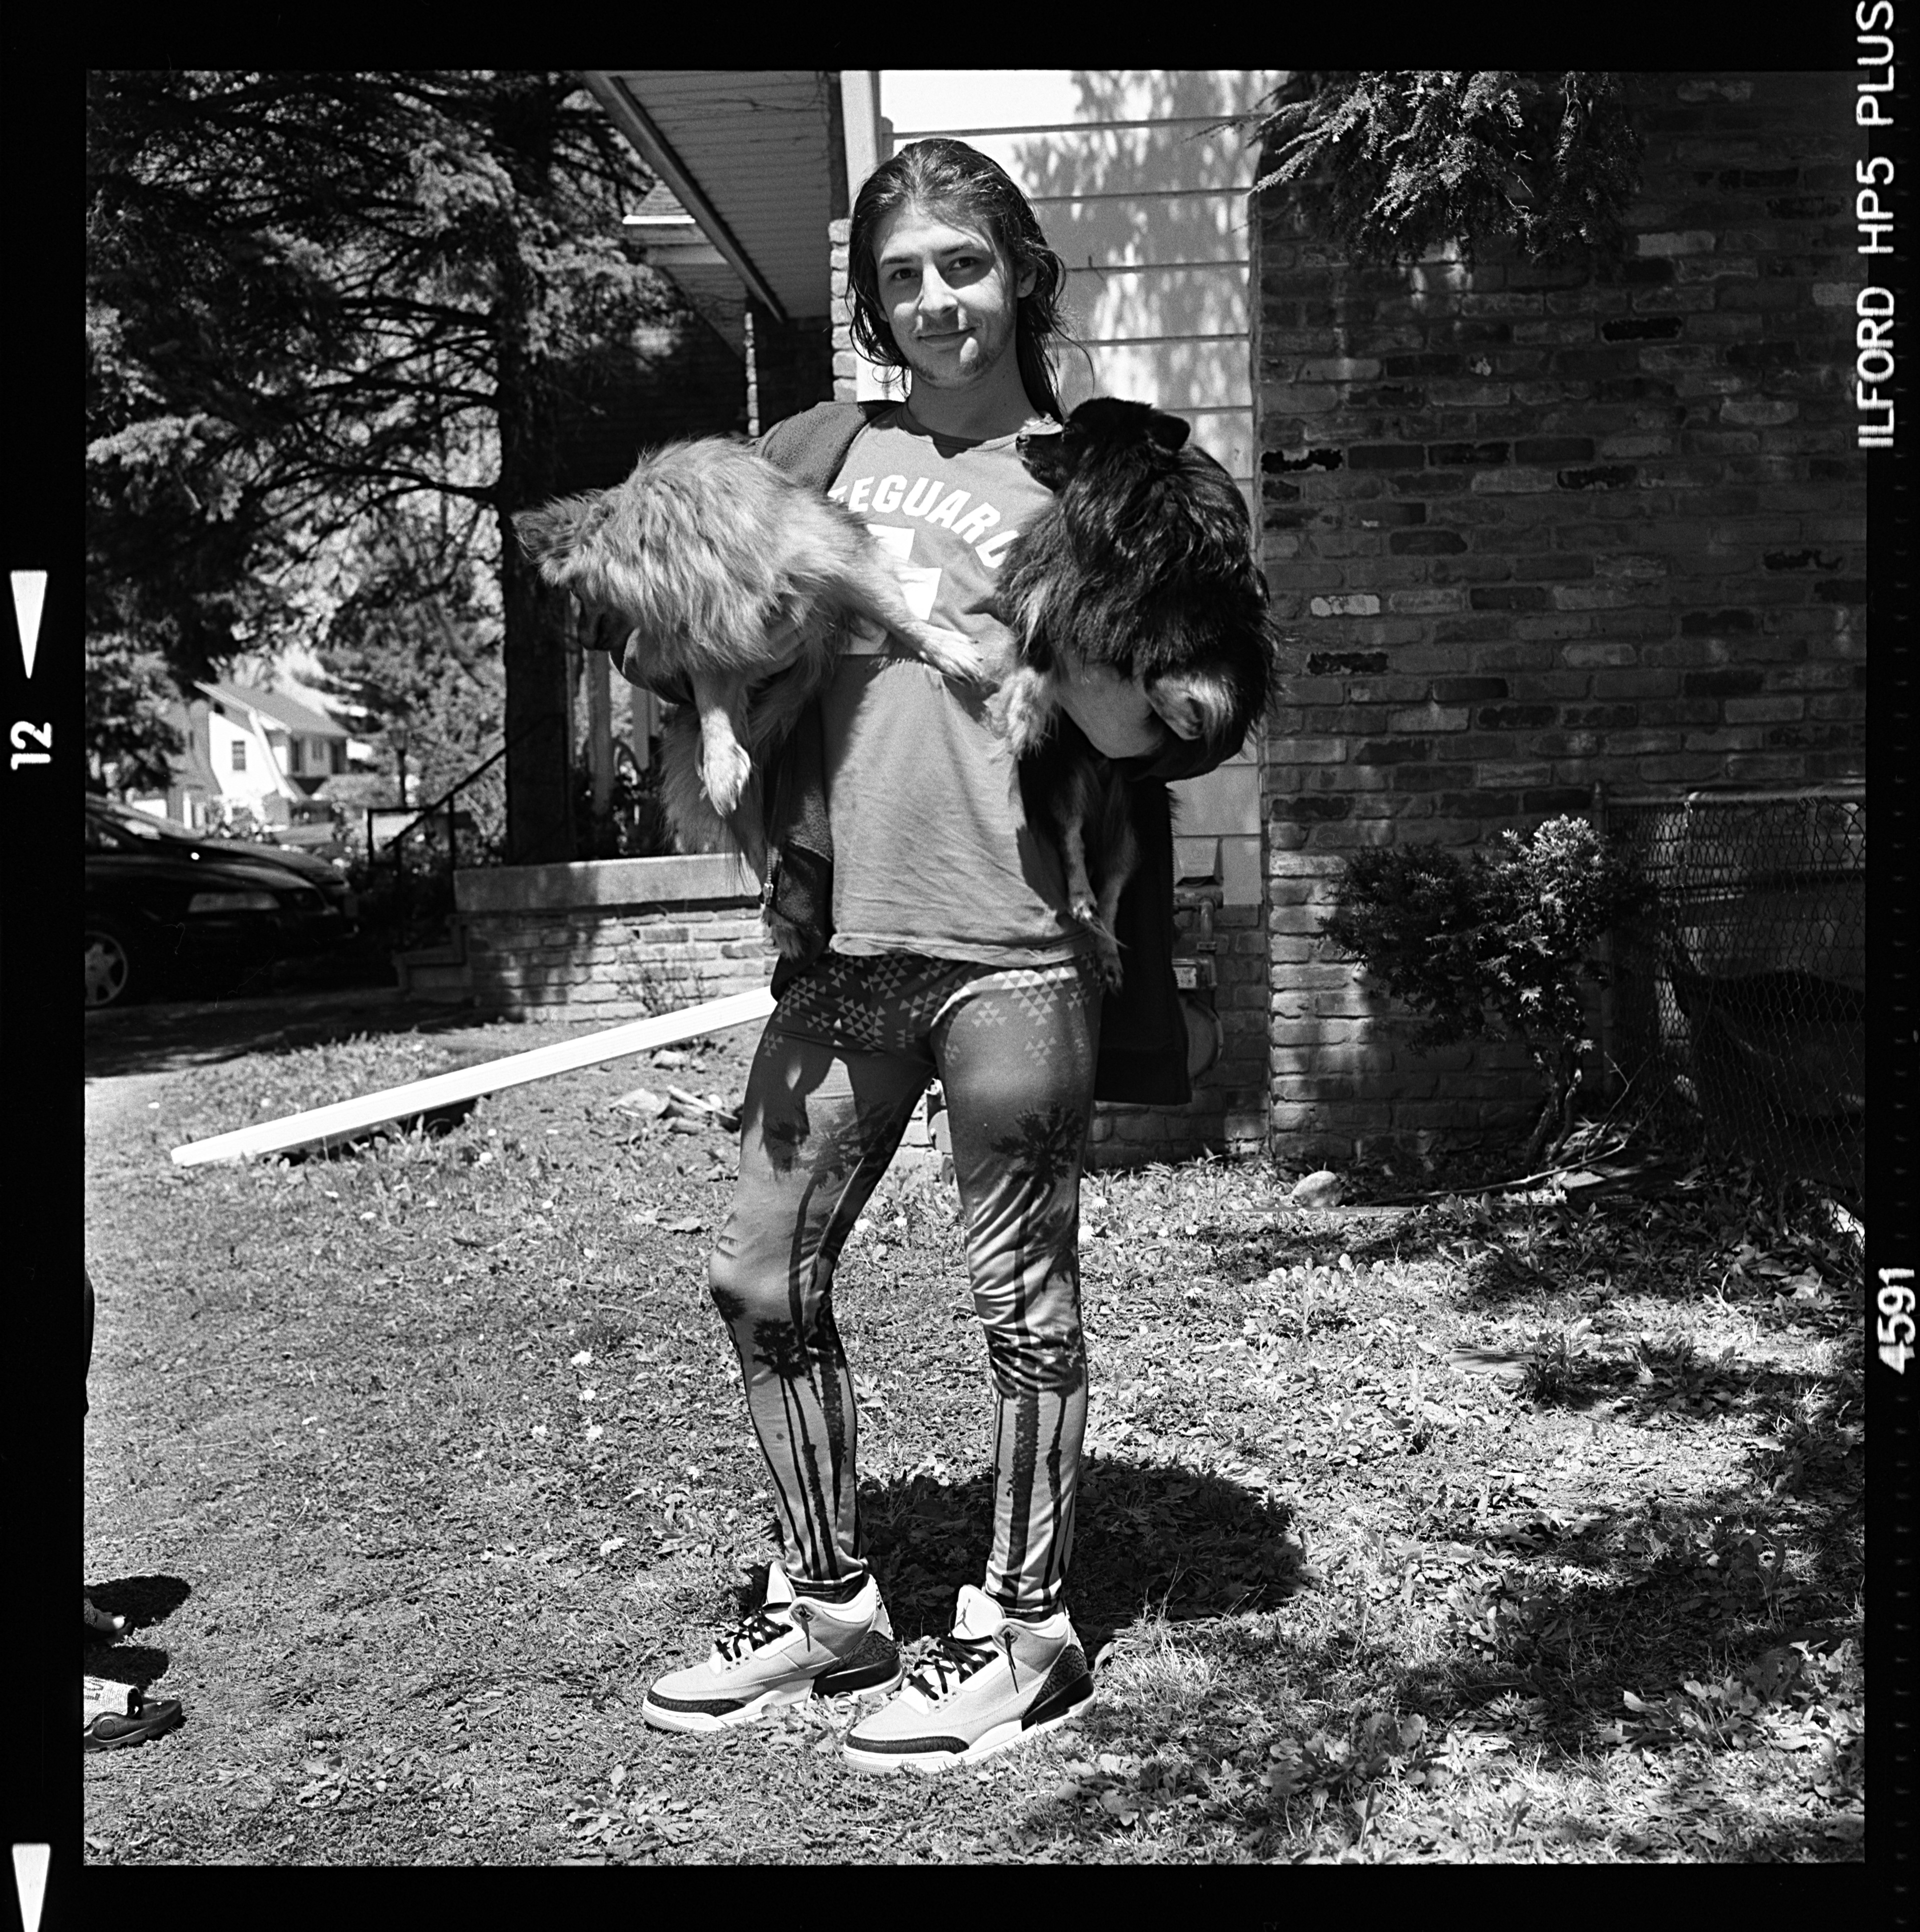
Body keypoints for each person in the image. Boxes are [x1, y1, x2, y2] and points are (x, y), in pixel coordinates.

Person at [632, 138, 1238, 1774]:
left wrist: (1130, 697)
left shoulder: (1105, 472)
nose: (934, 300)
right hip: (848, 941)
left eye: (962, 264)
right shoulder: (820, 449)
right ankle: (830, 1603)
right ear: (871, 303)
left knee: (1022, 1302)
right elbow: (666, 601)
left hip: (1018, 945)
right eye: (900, 276)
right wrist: (698, 649)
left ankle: (1026, 1628)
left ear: (1020, 272)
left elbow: (1204, 700)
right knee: (759, 1270)